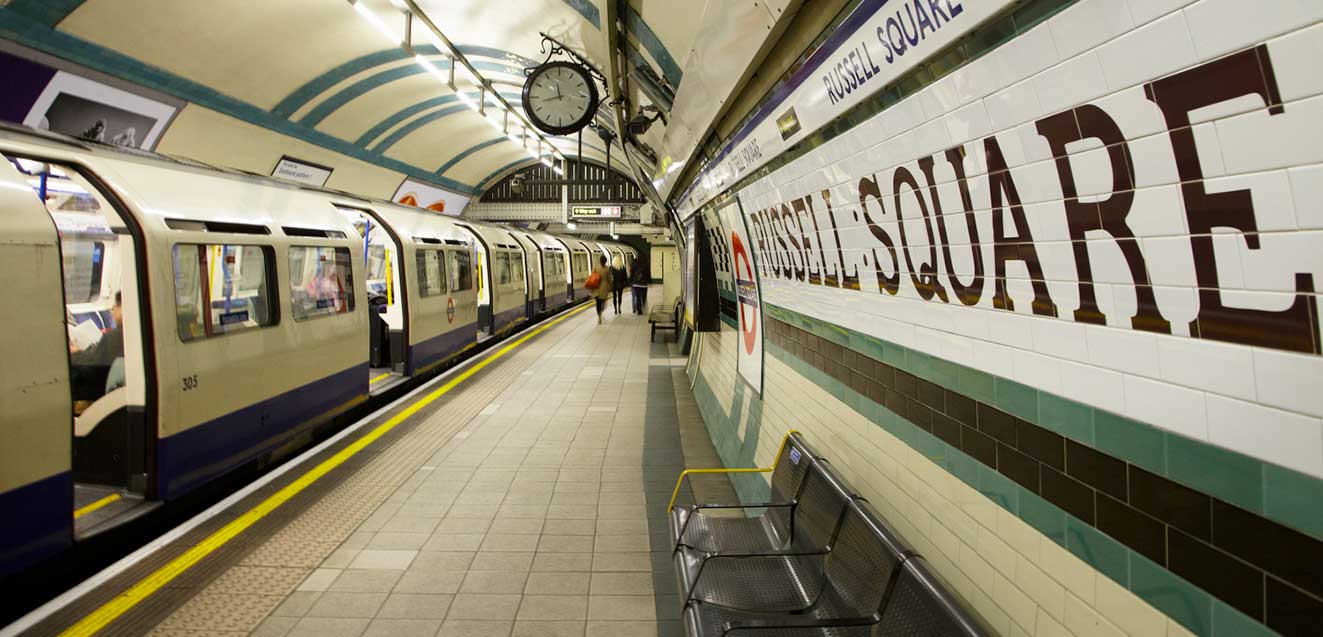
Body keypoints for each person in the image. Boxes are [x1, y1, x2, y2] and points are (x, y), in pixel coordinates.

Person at [70, 291, 125, 404]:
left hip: (99, 394)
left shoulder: (116, 336)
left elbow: (92, 369)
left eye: (117, 305)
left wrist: (74, 355)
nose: (113, 309)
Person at [590, 255, 613, 324]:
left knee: (598, 303)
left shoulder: (596, 268)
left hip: (596, 289)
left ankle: (599, 316)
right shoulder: (607, 269)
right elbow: (610, 279)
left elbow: (592, 278)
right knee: (603, 302)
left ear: (600, 261)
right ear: (605, 261)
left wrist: (591, 288)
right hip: (604, 288)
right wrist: (611, 287)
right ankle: (600, 313)